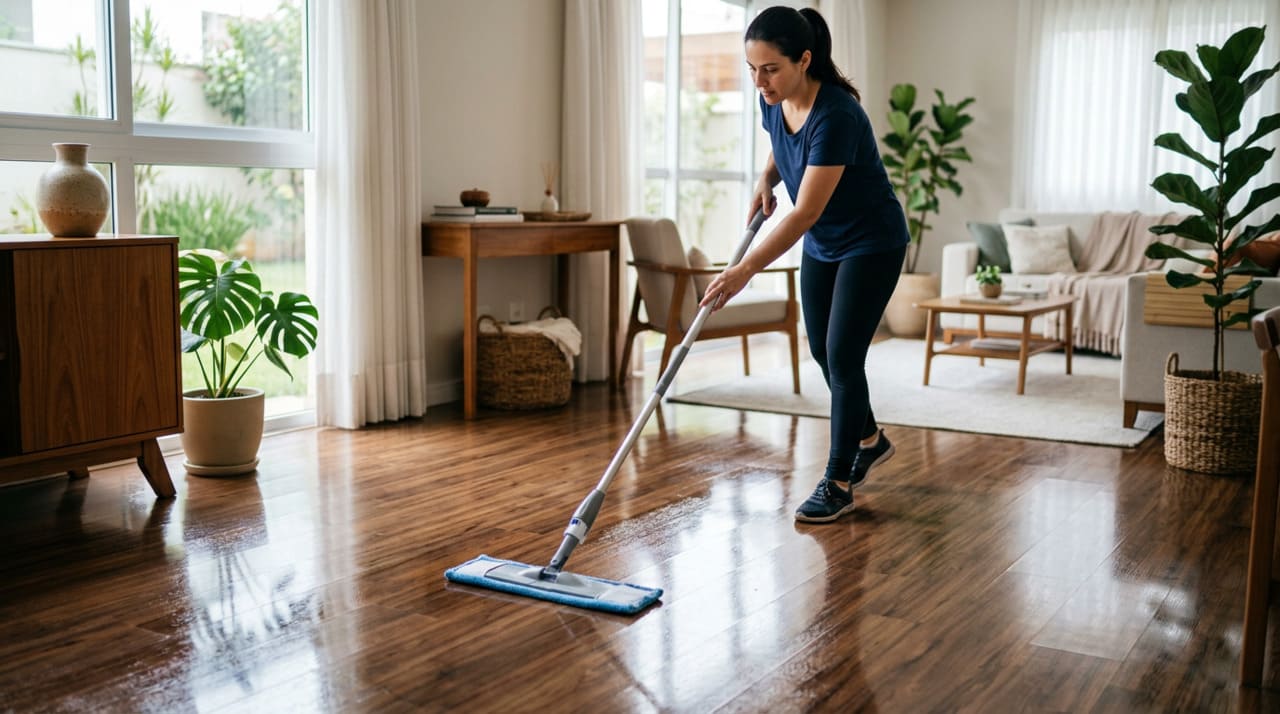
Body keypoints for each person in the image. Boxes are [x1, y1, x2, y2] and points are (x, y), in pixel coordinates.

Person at [699, 6, 908, 524]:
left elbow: (806, 210)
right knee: (820, 348)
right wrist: (765, 178)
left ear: (804, 60)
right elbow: (782, 143)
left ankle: (838, 481)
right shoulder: (773, 99)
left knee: (843, 354)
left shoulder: (837, 114)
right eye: (752, 68)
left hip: (870, 241)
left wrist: (743, 270)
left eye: (769, 69)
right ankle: (871, 439)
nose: (759, 81)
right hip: (824, 243)